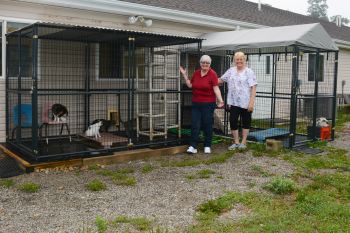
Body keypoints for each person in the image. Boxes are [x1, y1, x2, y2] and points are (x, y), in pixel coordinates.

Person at [180, 55, 224, 154]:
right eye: (203, 62)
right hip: (196, 103)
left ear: (210, 64)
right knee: (195, 124)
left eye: (207, 63)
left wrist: (220, 100)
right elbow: (190, 85)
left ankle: (207, 145)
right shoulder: (196, 73)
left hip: (208, 104)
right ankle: (193, 146)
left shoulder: (212, 74)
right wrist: (184, 75)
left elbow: (216, 88)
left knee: (207, 124)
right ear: (200, 63)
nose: (205, 64)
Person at [219, 51, 257, 150]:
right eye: (237, 59)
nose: (239, 61)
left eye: (241, 59)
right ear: (234, 60)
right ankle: (236, 142)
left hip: (246, 102)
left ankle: (243, 142)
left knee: (246, 122)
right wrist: (209, 78)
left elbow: (253, 88)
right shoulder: (231, 71)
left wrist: (251, 103)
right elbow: (221, 80)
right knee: (233, 121)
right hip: (234, 102)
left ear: (244, 60)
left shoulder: (249, 71)